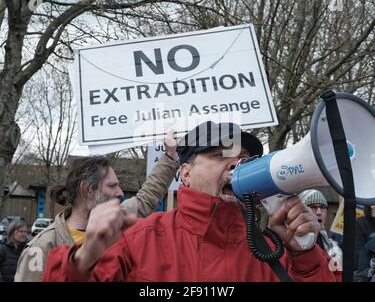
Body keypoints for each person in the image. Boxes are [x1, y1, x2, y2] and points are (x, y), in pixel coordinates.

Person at [42, 121, 340, 282]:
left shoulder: (270, 251)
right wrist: (83, 262)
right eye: (221, 155)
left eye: (247, 160)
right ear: (185, 173)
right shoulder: (138, 240)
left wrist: (304, 257)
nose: (238, 165)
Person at [14, 133, 178, 282]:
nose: (120, 192)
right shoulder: (43, 247)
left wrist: (170, 155)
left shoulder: (117, 221)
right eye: (112, 186)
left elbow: (146, 197)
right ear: (88, 190)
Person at [298, 189, 342, 267]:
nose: (319, 212)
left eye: (322, 207)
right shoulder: (291, 242)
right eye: (313, 207)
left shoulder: (331, 246)